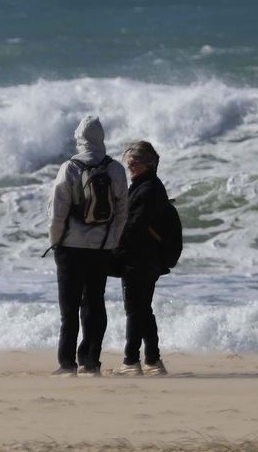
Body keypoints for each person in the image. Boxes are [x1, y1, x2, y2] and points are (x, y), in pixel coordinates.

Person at [47, 115, 128, 376]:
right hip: (101, 248)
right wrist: (112, 241)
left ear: (79, 138)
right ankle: (91, 362)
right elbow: (122, 212)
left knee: (69, 308)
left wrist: (55, 242)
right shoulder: (116, 169)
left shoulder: (69, 168)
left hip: (70, 247)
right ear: (101, 138)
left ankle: (67, 364)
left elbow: (57, 212)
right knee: (94, 303)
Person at [114, 140, 170, 376]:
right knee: (142, 309)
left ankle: (131, 361)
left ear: (149, 162)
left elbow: (135, 226)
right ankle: (153, 361)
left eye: (136, 160)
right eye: (129, 160)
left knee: (135, 310)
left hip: (140, 259)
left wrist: (114, 246)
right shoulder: (146, 186)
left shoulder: (147, 189)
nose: (131, 164)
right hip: (147, 258)